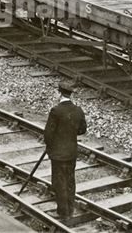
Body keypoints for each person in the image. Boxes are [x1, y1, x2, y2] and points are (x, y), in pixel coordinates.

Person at [44, 80, 86, 223]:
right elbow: (82, 130)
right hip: (71, 152)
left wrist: (50, 146)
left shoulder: (56, 111)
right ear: (70, 94)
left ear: (59, 93)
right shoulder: (78, 110)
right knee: (70, 180)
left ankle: (63, 212)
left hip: (58, 153)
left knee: (59, 181)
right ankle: (70, 209)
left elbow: (48, 134)